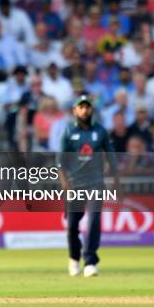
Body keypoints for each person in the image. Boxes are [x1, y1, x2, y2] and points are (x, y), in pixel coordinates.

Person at [57, 95, 122, 278]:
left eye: (87, 107)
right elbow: (59, 161)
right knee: (72, 227)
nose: (84, 110)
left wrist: (116, 182)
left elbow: (111, 157)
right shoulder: (69, 132)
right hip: (74, 185)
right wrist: (65, 184)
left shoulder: (100, 131)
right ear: (74, 110)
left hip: (95, 184)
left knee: (94, 221)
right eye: (80, 107)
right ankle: (74, 257)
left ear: (91, 109)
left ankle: (90, 262)